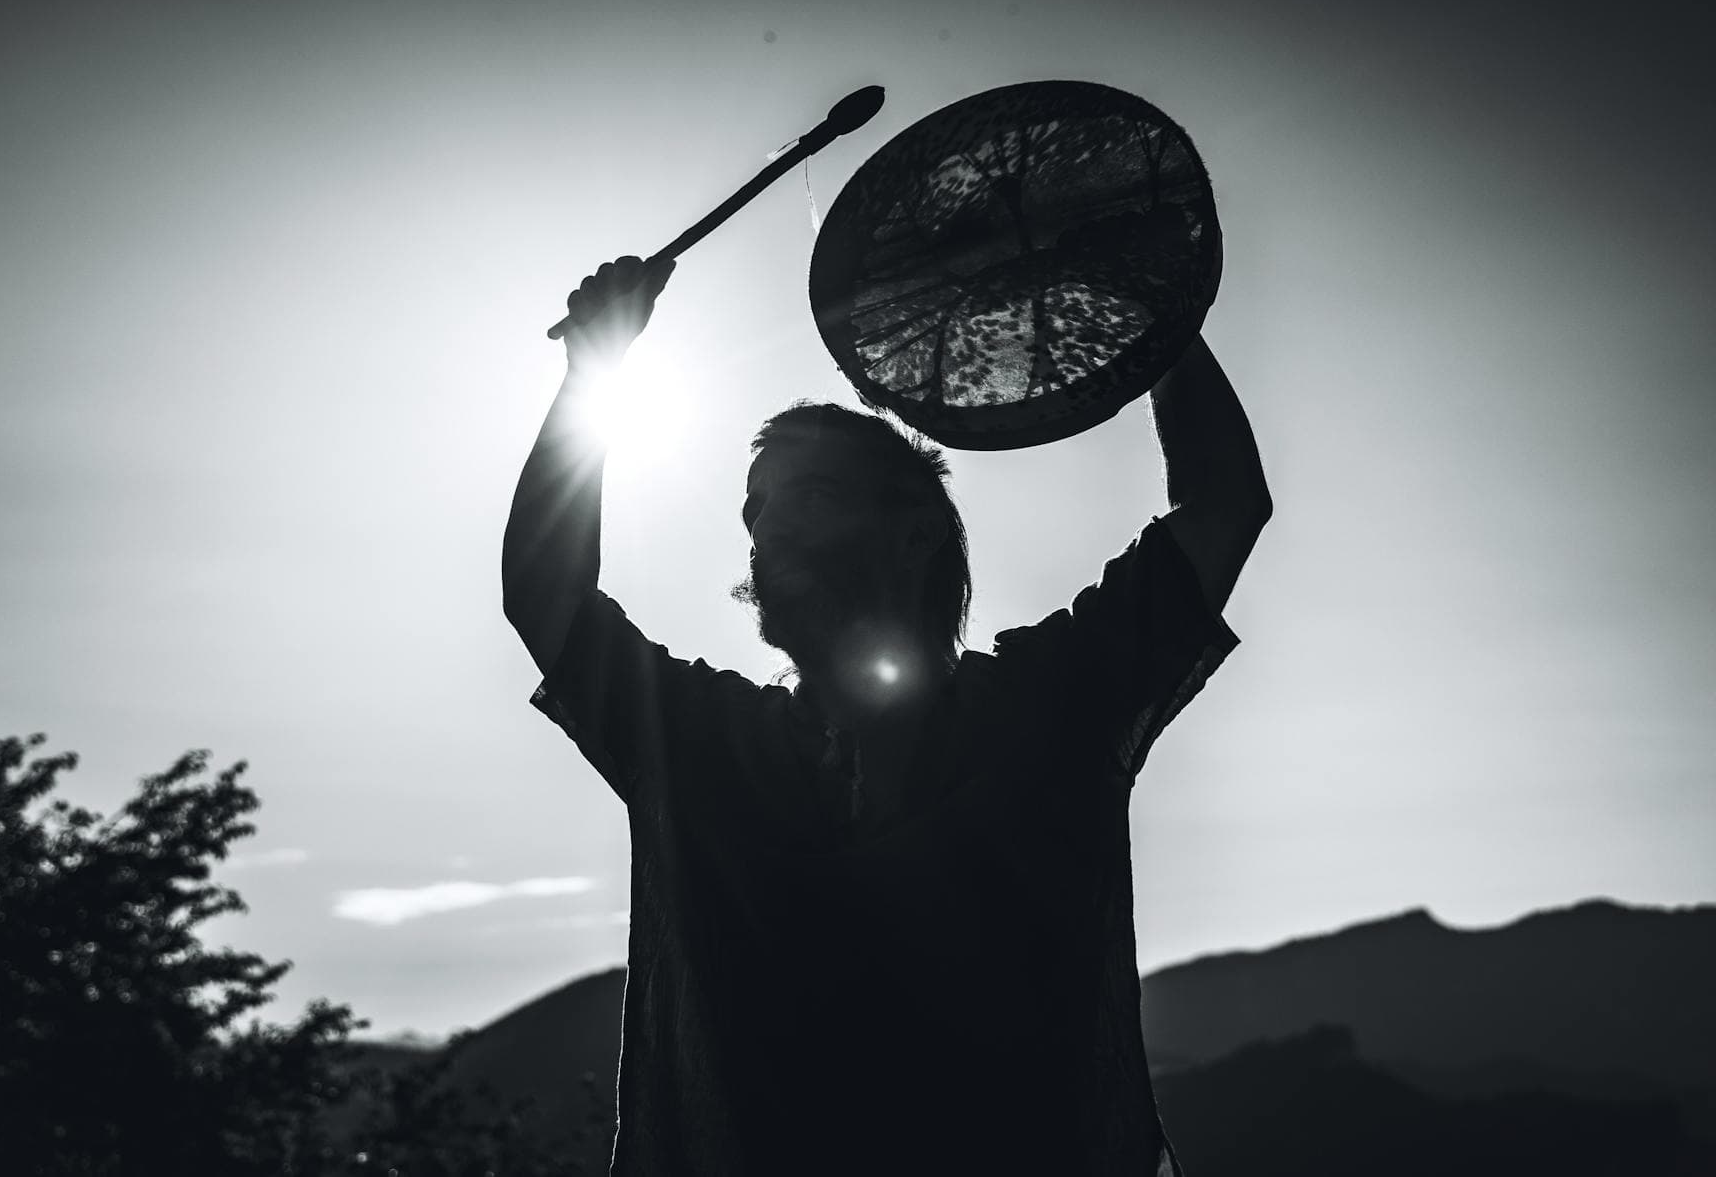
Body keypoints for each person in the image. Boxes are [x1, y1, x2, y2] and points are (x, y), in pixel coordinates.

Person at [503, 255, 1272, 1177]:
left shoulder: (1051, 703)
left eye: (811, 498)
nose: (768, 531)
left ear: (915, 534)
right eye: (756, 515)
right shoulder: (702, 739)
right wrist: (592, 372)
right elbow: (546, 596)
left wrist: (1152, 306)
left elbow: (1223, 503)